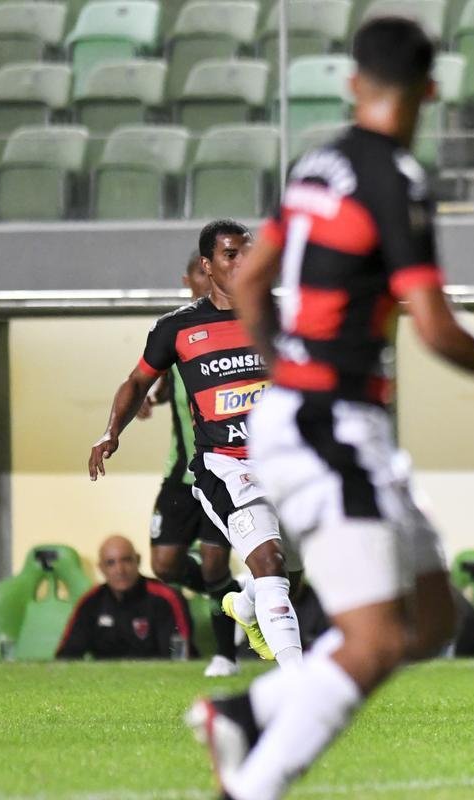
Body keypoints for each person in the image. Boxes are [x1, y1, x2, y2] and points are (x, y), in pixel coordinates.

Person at [185, 18, 474, 800]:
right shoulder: (396, 180)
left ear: (353, 83)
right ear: (432, 91)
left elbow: (255, 281)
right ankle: (253, 781)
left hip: (324, 421)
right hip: (332, 424)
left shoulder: (314, 166)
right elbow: (433, 325)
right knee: (371, 639)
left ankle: (252, 710)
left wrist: (285, 364)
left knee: (432, 621)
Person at [88, 220, 304, 671]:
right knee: (267, 560)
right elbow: (137, 381)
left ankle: (244, 605)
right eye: (231, 254)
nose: (243, 263)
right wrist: (112, 431)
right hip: (225, 466)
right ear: (207, 266)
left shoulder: (281, 318)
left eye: (249, 253)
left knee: (289, 575)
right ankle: (299, 681)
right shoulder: (178, 329)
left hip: (285, 465)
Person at [137, 251, 242, 677]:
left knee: (215, 563)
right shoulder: (178, 331)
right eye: (201, 272)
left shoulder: (238, 329)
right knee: (164, 565)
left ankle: (226, 656)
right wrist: (150, 397)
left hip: (223, 469)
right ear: (189, 279)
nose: (209, 277)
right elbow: (159, 382)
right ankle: (237, 595)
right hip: (179, 474)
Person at [56, 536, 193, 660]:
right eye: (111, 563)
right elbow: (66, 657)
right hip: (106, 683)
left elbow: (179, 657)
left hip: (158, 682)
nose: (120, 570)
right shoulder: (90, 602)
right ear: (101, 568)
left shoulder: (165, 598)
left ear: (138, 560)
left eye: (126, 560)